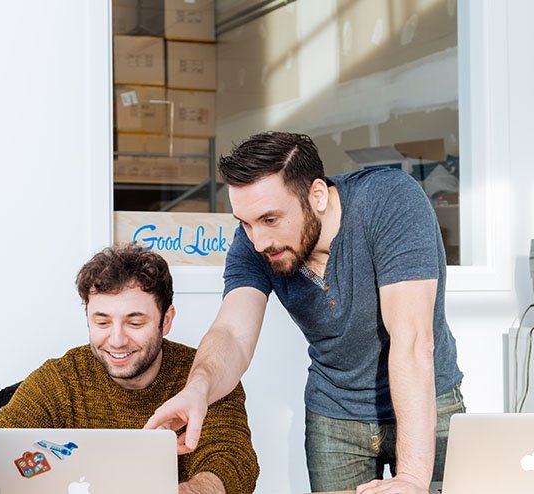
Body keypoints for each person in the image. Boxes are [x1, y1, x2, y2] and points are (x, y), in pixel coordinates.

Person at [145, 132, 465, 494]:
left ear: (316, 195)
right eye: (245, 223)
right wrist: (197, 390)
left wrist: (411, 478)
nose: (259, 241)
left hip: (429, 405)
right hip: (335, 414)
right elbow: (232, 332)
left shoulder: (389, 201)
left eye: (270, 219)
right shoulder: (252, 243)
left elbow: (411, 339)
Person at [0, 244, 259, 494]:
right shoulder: (61, 380)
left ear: (165, 321)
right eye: (102, 322)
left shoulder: (206, 377)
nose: (116, 340)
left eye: (135, 322)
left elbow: (231, 463)